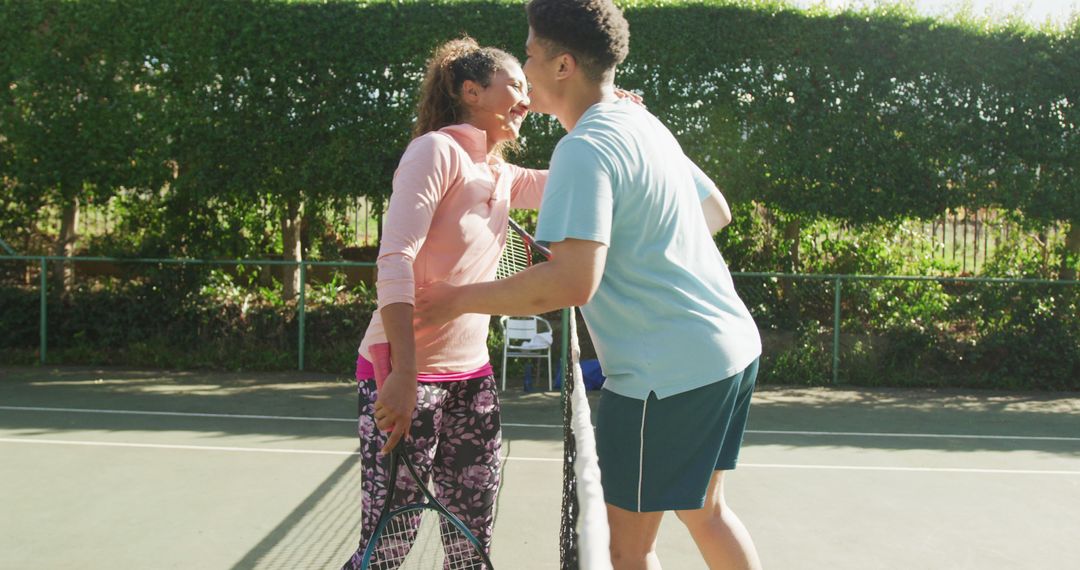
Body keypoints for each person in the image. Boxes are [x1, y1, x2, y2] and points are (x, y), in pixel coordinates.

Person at [416, 1, 764, 568]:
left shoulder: (582, 149)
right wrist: (645, 251)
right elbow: (715, 210)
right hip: (731, 349)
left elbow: (569, 284)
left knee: (625, 553)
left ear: (563, 65)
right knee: (707, 510)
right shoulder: (641, 121)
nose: (523, 66)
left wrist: (456, 300)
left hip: (663, 377)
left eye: (529, 53)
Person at [341, 37, 545, 569]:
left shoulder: (502, 174)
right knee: (388, 546)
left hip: (472, 378)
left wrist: (610, 111)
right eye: (515, 87)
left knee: (471, 543)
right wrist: (404, 375)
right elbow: (394, 260)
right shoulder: (436, 151)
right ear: (472, 91)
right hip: (402, 371)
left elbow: (581, 178)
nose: (526, 98)